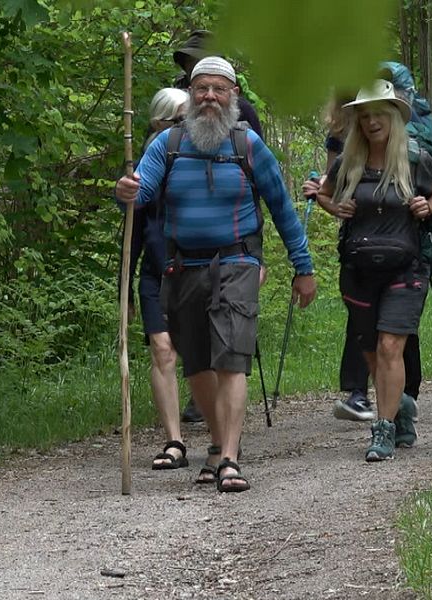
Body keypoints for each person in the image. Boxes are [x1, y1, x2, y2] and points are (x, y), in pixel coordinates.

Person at [115, 56, 316, 491]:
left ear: (234, 97)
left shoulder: (248, 146)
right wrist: (125, 191)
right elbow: (141, 194)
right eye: (201, 88)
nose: (209, 96)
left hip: (237, 261)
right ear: (189, 94)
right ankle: (220, 441)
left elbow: (282, 208)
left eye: (218, 89)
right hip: (181, 265)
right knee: (197, 364)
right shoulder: (166, 144)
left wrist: (304, 267)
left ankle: (228, 458)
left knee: (232, 357)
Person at [317, 80, 432, 461]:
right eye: (365, 115)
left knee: (392, 346)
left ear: (393, 117)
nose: (372, 121)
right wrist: (334, 208)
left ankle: (384, 430)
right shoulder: (348, 161)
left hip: (406, 267)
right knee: (372, 352)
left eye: (379, 114)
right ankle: (402, 405)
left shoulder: (414, 157)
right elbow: (325, 193)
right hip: (359, 268)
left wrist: (428, 206)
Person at [172, 29, 264, 423]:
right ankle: (207, 403)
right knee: (191, 333)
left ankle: (224, 437)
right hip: (185, 245)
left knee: (228, 330)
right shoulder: (180, 106)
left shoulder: (243, 114)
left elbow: (260, 179)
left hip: (237, 241)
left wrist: (256, 252)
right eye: (190, 65)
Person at [121, 88, 191, 470]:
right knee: (162, 350)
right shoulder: (144, 166)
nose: (185, 127)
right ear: (160, 123)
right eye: (178, 120)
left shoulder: (203, 156)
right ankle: (174, 440)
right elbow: (131, 228)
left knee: (203, 352)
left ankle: (222, 441)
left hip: (199, 267)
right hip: (156, 271)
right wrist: (125, 285)